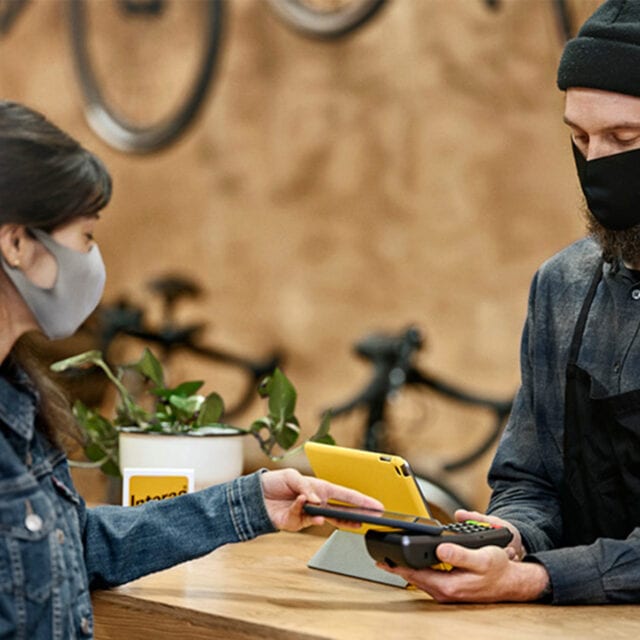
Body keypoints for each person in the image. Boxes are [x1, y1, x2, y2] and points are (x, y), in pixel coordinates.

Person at [0, 100, 382, 639]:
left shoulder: (17, 398)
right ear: (16, 242)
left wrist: (249, 504)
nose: (92, 259)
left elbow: (73, 544)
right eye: (85, 237)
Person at [380, 0, 640, 605]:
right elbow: (528, 478)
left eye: (624, 138)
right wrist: (507, 538)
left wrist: (543, 577)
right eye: (579, 137)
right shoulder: (564, 284)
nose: (595, 160)